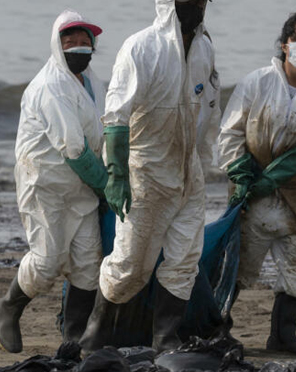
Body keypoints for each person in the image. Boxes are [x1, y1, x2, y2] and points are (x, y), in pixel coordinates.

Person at [79, 0, 219, 354]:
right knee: (129, 265)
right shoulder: (141, 47)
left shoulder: (204, 49)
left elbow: (206, 112)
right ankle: (94, 333)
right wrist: (117, 174)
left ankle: (165, 337)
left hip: (189, 174)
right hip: (147, 174)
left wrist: (202, 163)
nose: (197, 4)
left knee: (186, 257)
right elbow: (116, 116)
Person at [218, 9, 296, 355]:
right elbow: (230, 132)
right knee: (237, 264)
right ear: (284, 44)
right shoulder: (257, 81)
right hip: (252, 191)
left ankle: (284, 336)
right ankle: (218, 329)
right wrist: (241, 174)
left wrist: (282, 172)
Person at [0, 11, 107, 353]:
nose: (78, 47)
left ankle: (73, 340)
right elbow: (74, 150)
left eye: (84, 41)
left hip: (82, 188)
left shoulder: (93, 83)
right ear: (56, 45)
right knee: (46, 262)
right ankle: (8, 307)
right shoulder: (51, 86)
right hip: (45, 184)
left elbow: (103, 132)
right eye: (70, 41)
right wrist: (107, 186)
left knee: (89, 264)